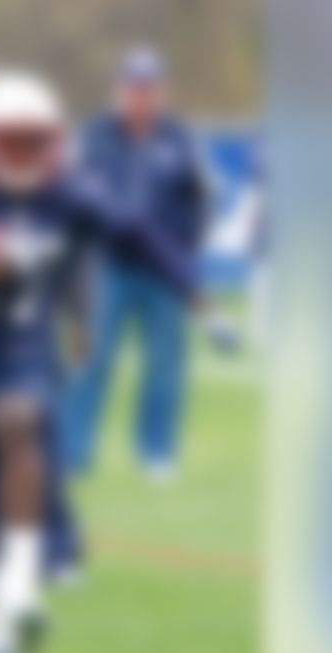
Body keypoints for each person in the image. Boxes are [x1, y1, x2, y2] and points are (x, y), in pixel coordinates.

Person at [0, 70, 196, 653]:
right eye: (14, 140)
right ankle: (0, 610)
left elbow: (135, 230)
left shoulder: (69, 193)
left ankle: (25, 581)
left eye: (39, 139)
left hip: (15, 350)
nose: (28, 154)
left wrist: (198, 294)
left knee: (19, 417)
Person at [61, 47, 210, 483]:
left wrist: (183, 249)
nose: (141, 96)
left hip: (164, 271)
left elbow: (198, 200)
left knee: (165, 364)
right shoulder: (95, 137)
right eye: (133, 87)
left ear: (161, 91)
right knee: (91, 358)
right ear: (120, 90)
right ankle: (76, 452)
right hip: (109, 265)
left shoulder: (179, 138)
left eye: (149, 87)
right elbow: (78, 195)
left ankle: (157, 453)